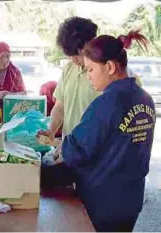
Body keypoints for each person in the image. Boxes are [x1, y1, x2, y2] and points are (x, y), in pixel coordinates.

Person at [57, 30, 155, 232]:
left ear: (110, 67)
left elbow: (77, 150)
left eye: (91, 70)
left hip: (103, 201)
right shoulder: (145, 99)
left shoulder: (107, 103)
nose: (88, 77)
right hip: (131, 199)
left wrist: (58, 147)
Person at [40, 16, 142, 141]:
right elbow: (60, 106)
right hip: (70, 151)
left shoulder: (119, 77)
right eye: (69, 56)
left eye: (77, 55)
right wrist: (51, 130)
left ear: (91, 43)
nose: (73, 60)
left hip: (98, 154)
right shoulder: (68, 69)